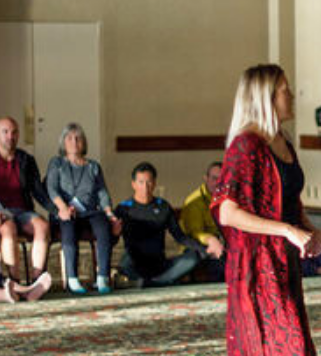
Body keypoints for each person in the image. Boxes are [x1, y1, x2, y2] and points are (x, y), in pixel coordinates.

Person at [212, 64, 321, 356]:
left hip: (283, 264)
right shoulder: (246, 146)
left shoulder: (282, 143)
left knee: (286, 352)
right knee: (270, 354)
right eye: (283, 91)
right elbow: (228, 211)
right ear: (264, 97)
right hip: (254, 268)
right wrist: (286, 231)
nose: (291, 95)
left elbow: (288, 201)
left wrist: (311, 229)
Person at [44, 122, 120, 295]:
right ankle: (72, 279)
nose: (74, 141)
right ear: (63, 142)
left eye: (78, 138)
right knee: (68, 229)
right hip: (65, 212)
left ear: (84, 142)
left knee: (103, 226)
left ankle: (102, 277)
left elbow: (102, 193)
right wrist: (62, 208)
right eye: (69, 138)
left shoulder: (93, 166)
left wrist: (109, 213)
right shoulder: (56, 163)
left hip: (90, 211)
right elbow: (51, 188)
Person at [115, 162, 206, 287]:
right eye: (141, 182)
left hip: (159, 264)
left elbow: (179, 236)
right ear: (133, 184)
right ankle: (155, 282)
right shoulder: (123, 208)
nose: (145, 187)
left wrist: (202, 249)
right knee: (126, 261)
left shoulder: (163, 206)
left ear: (154, 183)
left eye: (149, 182)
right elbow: (112, 240)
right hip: (134, 263)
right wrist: (114, 234)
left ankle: (152, 283)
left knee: (192, 258)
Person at [0, 114, 52, 303]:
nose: (10, 136)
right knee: (9, 229)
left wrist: (57, 210)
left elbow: (38, 191)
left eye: (14, 132)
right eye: (5, 132)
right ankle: (15, 283)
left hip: (23, 212)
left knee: (43, 226)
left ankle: (37, 283)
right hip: (2, 214)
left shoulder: (26, 160)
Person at [179, 161, 227, 282]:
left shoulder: (226, 198)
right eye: (214, 178)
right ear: (205, 178)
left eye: (221, 179)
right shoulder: (195, 201)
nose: (217, 183)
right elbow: (194, 233)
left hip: (220, 243)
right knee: (220, 264)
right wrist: (212, 240)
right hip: (195, 245)